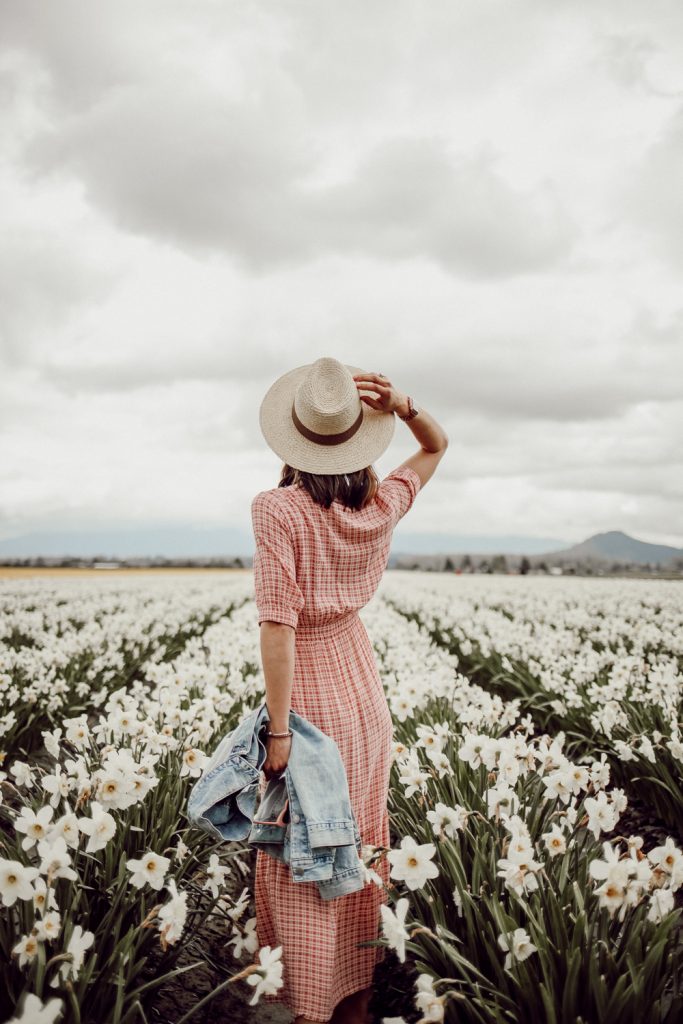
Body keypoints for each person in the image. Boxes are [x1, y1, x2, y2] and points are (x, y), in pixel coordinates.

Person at [250, 357, 448, 1024]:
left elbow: (278, 624)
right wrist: (403, 402)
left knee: (301, 840)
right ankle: (354, 998)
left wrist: (278, 731)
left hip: (307, 692)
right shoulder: (381, 505)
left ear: (292, 439)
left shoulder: (276, 508)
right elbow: (435, 446)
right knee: (356, 836)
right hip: (362, 691)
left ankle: (307, 1002)